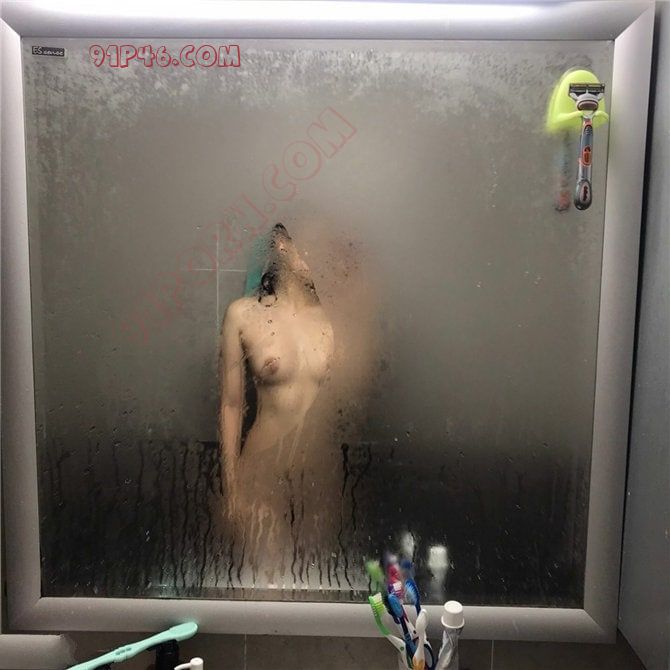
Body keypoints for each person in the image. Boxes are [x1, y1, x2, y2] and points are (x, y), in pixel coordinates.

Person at [219, 223, 335, 584]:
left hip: (318, 476)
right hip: (262, 473)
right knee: (264, 586)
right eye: (313, 242)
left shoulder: (334, 318)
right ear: (283, 245)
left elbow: (346, 403)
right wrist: (231, 488)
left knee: (317, 586)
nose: (323, 252)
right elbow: (231, 405)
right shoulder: (243, 314)